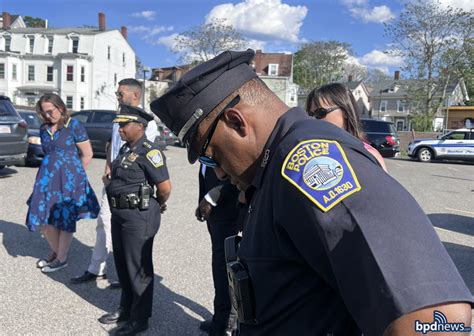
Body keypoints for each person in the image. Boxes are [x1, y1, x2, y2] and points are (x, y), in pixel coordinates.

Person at [151, 50, 473, 335]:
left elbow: (440, 319)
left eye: (211, 154)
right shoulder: (270, 170)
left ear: (237, 122)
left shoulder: (307, 162)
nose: (218, 172)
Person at [71, 78, 159, 286]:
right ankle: (96, 268)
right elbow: (113, 144)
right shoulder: (119, 118)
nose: (118, 97)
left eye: (121, 93)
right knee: (103, 222)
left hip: (131, 186)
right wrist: (108, 166)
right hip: (112, 180)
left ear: (135, 95)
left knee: (127, 232)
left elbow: (141, 153)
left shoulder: (148, 123)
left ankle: (125, 277)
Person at [98, 104, 171, 335]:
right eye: (119, 125)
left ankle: (140, 319)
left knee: (138, 268)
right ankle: (126, 309)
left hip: (139, 217)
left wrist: (158, 203)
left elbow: (165, 187)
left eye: (124, 125)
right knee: (123, 265)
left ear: (140, 126)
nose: (119, 129)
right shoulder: (125, 150)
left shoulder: (150, 152)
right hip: (120, 215)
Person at [26, 93, 100, 273]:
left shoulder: (74, 126)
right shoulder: (44, 129)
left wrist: (77, 178)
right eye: (43, 113)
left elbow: (87, 154)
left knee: (65, 218)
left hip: (69, 179)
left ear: (60, 107)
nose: (47, 116)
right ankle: (55, 251)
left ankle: (61, 258)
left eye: (50, 111)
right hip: (46, 178)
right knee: (42, 216)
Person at [196, 165, 240, 336]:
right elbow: (205, 176)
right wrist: (202, 201)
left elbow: (240, 173)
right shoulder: (207, 149)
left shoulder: (226, 141)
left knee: (226, 269)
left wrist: (212, 197)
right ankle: (221, 317)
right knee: (219, 268)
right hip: (215, 215)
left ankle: (229, 323)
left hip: (229, 214)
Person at [306, 83, 387, 171]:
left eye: (320, 113)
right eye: (311, 114)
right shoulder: (308, 152)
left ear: (345, 111)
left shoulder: (368, 155)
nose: (314, 119)